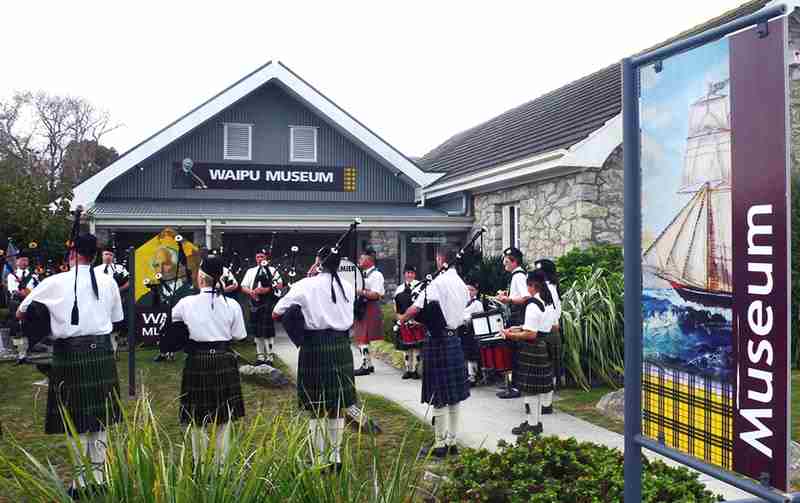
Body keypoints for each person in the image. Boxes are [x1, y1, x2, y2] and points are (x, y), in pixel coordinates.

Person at [17, 234, 123, 497]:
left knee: (75, 421)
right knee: (100, 420)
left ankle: (81, 484)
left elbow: (22, 311)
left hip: (70, 355)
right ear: (96, 256)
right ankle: (100, 480)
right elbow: (117, 318)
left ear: (72, 253)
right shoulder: (108, 282)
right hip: (101, 353)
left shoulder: (54, 281)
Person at [273, 245, 355, 471]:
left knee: (317, 406)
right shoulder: (348, 286)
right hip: (341, 347)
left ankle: (319, 459)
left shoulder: (305, 285)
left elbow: (277, 312)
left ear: (318, 262)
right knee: (337, 404)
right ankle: (335, 458)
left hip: (315, 347)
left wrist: (306, 282)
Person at [172, 254, 247, 465]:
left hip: (197, 361)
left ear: (201, 277)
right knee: (224, 417)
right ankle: (221, 464)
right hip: (224, 360)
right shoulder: (232, 305)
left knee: (197, 418)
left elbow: (173, 326)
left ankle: (199, 461)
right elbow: (239, 335)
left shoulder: (185, 303)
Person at [397, 246, 470, 458]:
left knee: (439, 394)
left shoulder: (437, 283)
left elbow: (416, 309)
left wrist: (401, 319)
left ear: (440, 259)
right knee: (454, 396)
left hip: (438, 341)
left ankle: (439, 445)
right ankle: (452, 441)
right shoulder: (461, 285)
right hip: (454, 339)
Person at [500, 269, 557, 436]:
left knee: (531, 390)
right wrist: (516, 328)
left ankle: (533, 425)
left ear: (532, 285)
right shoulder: (547, 300)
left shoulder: (533, 304)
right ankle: (535, 422)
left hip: (532, 347)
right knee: (536, 389)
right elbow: (540, 327)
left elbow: (530, 333)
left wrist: (510, 335)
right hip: (542, 345)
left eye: (527, 286)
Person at [495, 247, 529, 399]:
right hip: (515, 315)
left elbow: (525, 298)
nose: (504, 263)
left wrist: (507, 299)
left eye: (506, 261)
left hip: (519, 316)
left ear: (515, 261)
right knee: (513, 351)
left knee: (517, 352)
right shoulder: (515, 276)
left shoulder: (519, 276)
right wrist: (507, 295)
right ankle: (513, 384)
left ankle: (516, 387)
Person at [241, 249, 282, 365]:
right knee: (257, 331)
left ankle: (269, 357)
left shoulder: (273, 270)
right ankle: (260, 357)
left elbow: (279, 284)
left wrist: (267, 289)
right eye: (258, 256)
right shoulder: (250, 271)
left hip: (268, 302)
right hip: (255, 302)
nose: (260, 259)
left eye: (262, 256)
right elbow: (243, 286)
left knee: (268, 331)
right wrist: (251, 292)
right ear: (255, 258)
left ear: (266, 258)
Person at [353, 247, 385, 376]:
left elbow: (377, 294)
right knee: (361, 337)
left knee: (363, 338)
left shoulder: (376, 275)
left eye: (362, 258)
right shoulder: (364, 274)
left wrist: (361, 292)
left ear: (370, 259)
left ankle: (365, 366)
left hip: (369, 306)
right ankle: (369, 364)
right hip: (362, 306)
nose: (360, 260)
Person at [94, 247, 130, 360]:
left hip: (116, 302)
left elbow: (129, 281)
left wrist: (118, 290)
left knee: (115, 328)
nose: (108, 256)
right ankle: (101, 351)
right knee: (101, 327)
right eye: (106, 254)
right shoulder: (95, 270)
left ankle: (114, 352)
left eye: (110, 254)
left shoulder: (120, 268)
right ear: (102, 256)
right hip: (100, 304)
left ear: (113, 256)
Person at [535, 258, 562, 403]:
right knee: (548, 366)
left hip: (548, 328)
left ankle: (547, 402)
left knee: (547, 366)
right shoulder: (552, 285)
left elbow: (552, 308)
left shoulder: (548, 287)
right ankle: (546, 401)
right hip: (551, 327)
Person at [7, 249, 40, 363]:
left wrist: (30, 293)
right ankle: (20, 352)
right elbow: (13, 291)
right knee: (18, 328)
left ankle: (32, 347)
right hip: (17, 303)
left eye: (26, 260)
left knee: (31, 325)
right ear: (17, 262)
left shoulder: (34, 275)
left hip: (31, 303)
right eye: (22, 260)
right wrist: (25, 292)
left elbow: (38, 289)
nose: (25, 262)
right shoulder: (12, 275)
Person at [393, 264, 424, 380]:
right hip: (403, 321)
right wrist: (399, 318)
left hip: (416, 321)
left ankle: (415, 370)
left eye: (412, 273)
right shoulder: (399, 289)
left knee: (416, 348)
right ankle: (407, 370)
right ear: (404, 274)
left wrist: (419, 321)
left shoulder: (420, 286)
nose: (409, 275)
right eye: (407, 273)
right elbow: (395, 305)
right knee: (406, 348)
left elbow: (422, 305)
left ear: (414, 274)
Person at [460, 278, 484, 386]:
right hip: (461, 330)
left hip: (471, 331)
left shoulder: (477, 304)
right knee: (462, 353)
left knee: (471, 355)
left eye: (472, 290)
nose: (469, 292)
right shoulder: (461, 301)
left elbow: (480, 318)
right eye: (468, 289)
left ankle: (472, 377)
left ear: (476, 291)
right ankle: (463, 375)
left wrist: (468, 320)